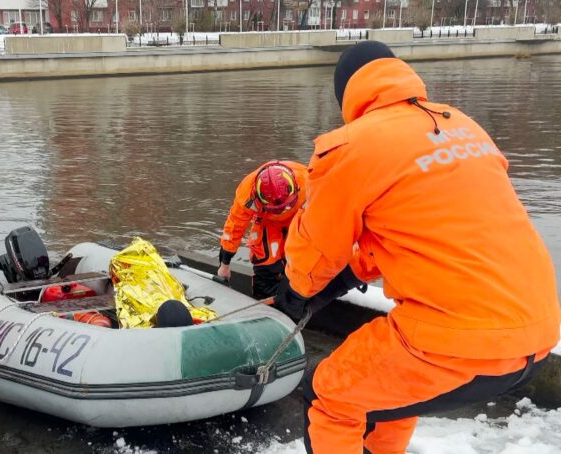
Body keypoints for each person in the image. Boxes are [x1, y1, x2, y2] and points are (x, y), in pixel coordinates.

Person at [275, 41, 560, 453]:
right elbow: (421, 232)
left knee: (328, 396)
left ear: (346, 94)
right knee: (387, 390)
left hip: (455, 341)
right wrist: (347, 278)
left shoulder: (351, 145)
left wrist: (297, 291)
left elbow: (314, 251)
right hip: (537, 332)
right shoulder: (462, 125)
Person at [218, 161, 306, 299]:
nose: (282, 211)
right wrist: (225, 263)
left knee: (302, 261)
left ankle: (297, 298)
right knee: (265, 261)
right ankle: (264, 301)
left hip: (300, 217)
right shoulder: (246, 195)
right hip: (267, 221)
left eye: (284, 207)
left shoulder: (309, 181)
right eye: (277, 209)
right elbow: (234, 227)